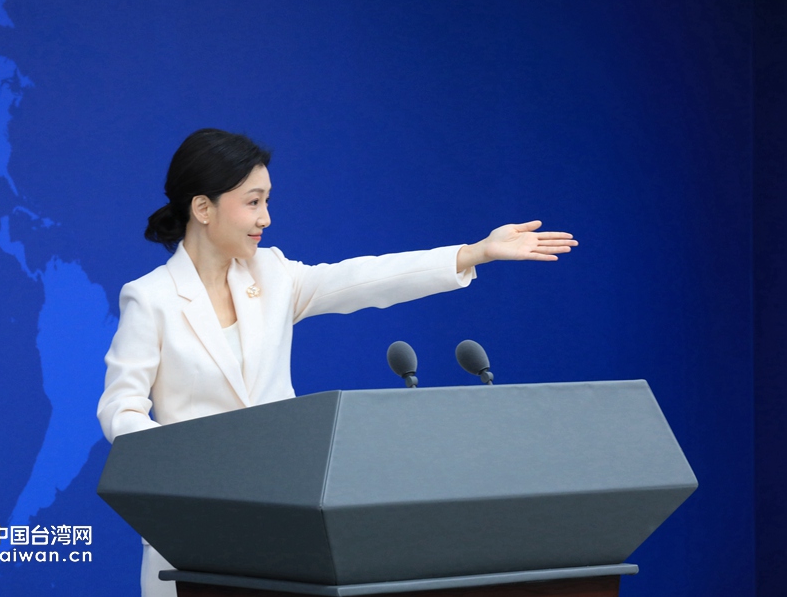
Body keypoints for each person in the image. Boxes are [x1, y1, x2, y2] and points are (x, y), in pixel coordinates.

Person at [97, 128, 578, 597]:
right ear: (203, 208)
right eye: (253, 202)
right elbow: (121, 408)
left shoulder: (272, 273)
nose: (266, 217)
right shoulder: (151, 298)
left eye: (267, 201)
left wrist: (474, 253)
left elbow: (364, 279)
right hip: (190, 530)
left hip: (278, 519)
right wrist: (187, 464)